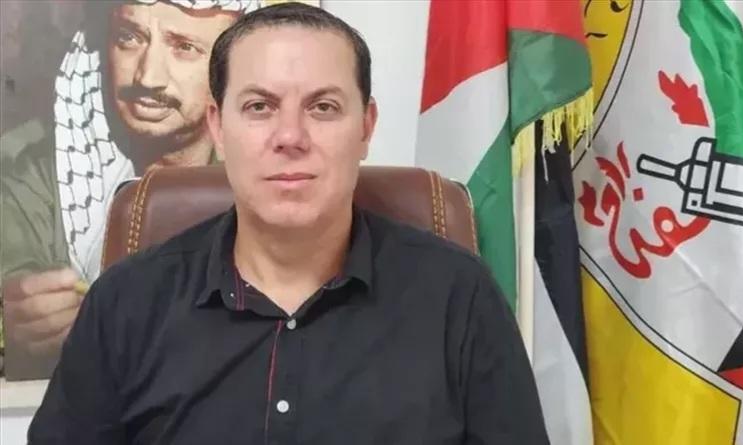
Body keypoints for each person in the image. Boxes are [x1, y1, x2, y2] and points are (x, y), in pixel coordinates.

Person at [28, 3, 550, 444]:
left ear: (366, 128)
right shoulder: (125, 304)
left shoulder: (459, 298)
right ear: (218, 125)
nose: (290, 137)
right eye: (260, 106)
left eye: (323, 107)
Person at [0, 0, 260, 378]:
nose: (148, 77)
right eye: (129, 38)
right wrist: (18, 327)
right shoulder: (30, 177)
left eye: (184, 47)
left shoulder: (271, 182)